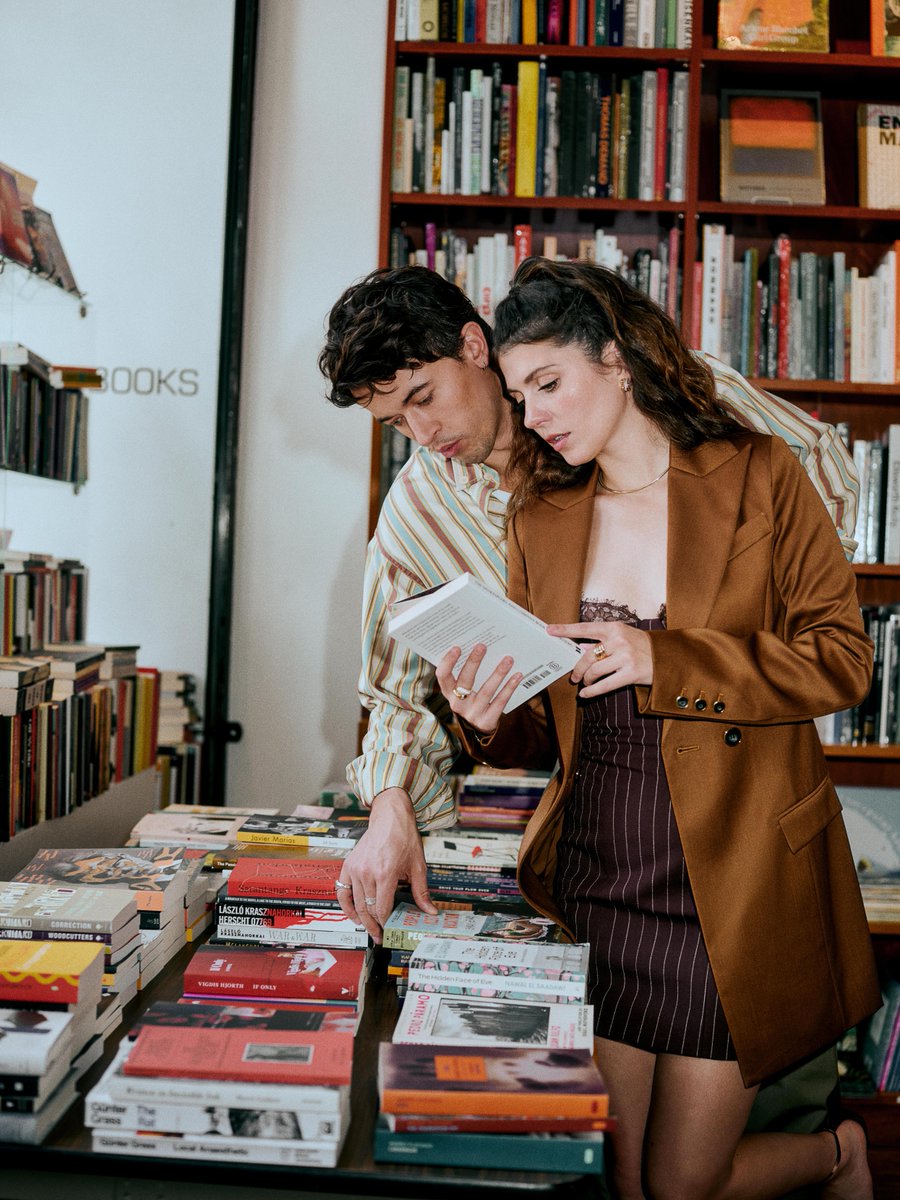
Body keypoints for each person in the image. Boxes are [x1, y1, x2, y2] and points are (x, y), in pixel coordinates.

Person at [319, 263, 859, 1168]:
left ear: (475, 347)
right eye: (394, 422)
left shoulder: (698, 415)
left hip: (733, 837)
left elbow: (826, 553)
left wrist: (715, 617)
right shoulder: (452, 509)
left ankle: (838, 1159)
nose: (423, 433)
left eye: (424, 397)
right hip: (600, 860)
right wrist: (433, 766)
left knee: (690, 1171)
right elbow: (404, 691)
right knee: (609, 1169)